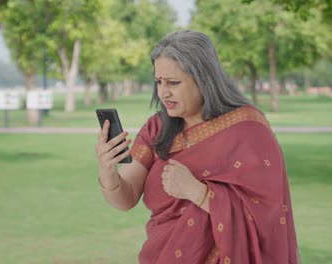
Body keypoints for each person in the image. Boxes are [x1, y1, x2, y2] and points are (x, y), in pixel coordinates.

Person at [95, 30, 300, 264]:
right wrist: (107, 170)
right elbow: (126, 197)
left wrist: (197, 192)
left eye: (173, 82)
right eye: (158, 82)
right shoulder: (157, 128)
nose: (163, 92)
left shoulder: (247, 129)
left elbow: (267, 214)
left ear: (204, 79)